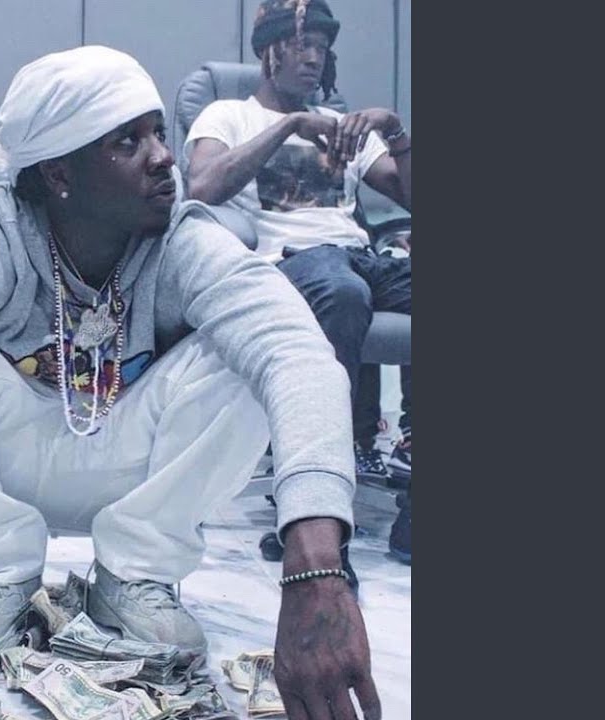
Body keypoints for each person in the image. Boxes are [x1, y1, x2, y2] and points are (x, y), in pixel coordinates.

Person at [0, 45, 380, 720]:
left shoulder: (184, 238)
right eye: (128, 142)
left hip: (137, 468)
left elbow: (297, 354)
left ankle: (137, 574)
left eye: (158, 133)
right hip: (14, 464)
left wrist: (316, 563)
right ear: (59, 173)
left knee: (247, 357)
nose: (164, 157)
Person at [184, 0, 412, 566]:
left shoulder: (342, 124)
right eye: (303, 45)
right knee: (344, 294)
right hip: (291, 261)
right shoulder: (227, 115)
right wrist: (287, 125)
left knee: (355, 282)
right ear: (269, 51)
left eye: (322, 49)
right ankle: (315, 501)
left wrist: (396, 132)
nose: (315, 59)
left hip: (360, 255)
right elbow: (202, 187)